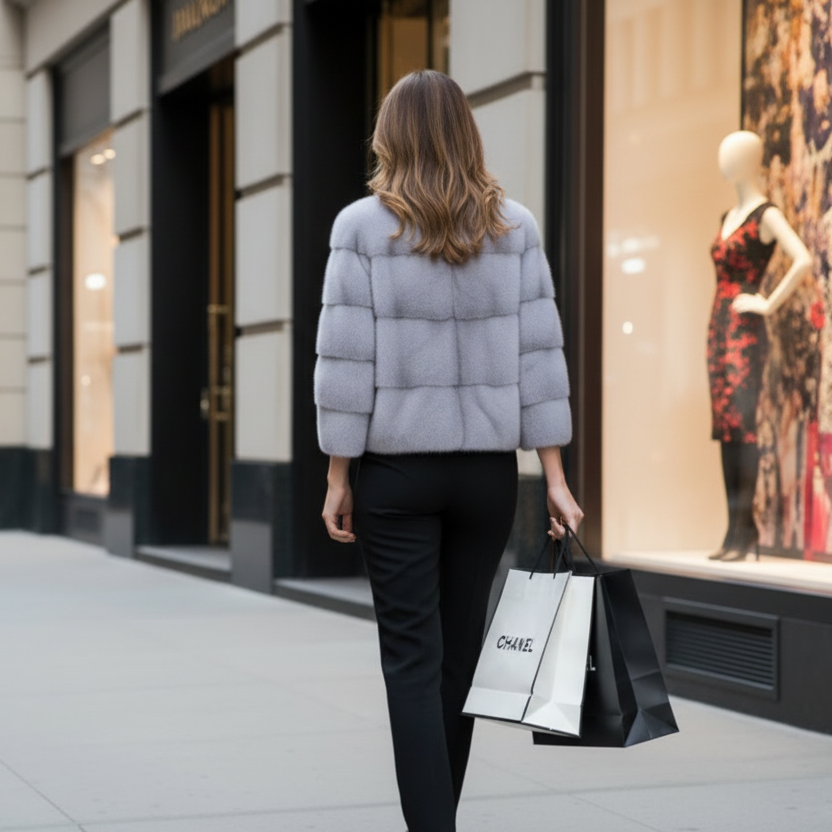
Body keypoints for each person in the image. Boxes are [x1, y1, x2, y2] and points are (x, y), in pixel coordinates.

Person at [313, 70, 582, 832]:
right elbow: (541, 359)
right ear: (469, 132)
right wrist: (553, 477)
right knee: (460, 660)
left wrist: (339, 473)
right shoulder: (515, 228)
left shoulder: (361, 227)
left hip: (397, 472)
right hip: (487, 478)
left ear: (390, 135)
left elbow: (344, 364)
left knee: (412, 661)